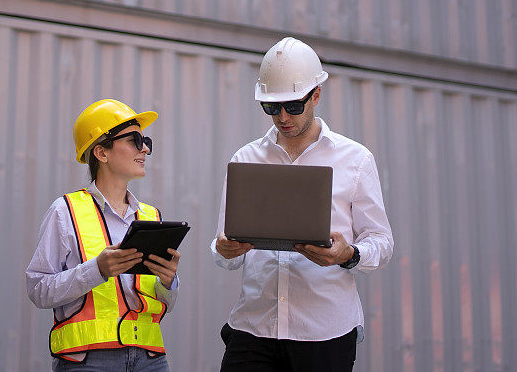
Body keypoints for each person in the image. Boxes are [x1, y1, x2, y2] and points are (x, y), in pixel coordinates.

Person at [212, 37, 393, 372]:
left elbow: (382, 244)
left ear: (316, 95)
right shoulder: (246, 159)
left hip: (325, 333)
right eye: (272, 107)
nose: (283, 117)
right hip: (254, 327)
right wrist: (224, 250)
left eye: (293, 106)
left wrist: (348, 255)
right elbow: (224, 250)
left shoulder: (355, 159)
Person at [26, 99, 180, 372]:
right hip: (89, 362)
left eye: (145, 141)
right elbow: (38, 289)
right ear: (101, 152)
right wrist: (96, 270)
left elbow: (163, 301)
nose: (144, 148)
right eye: (134, 139)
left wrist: (169, 282)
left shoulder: (151, 217)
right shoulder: (65, 212)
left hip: (151, 360)